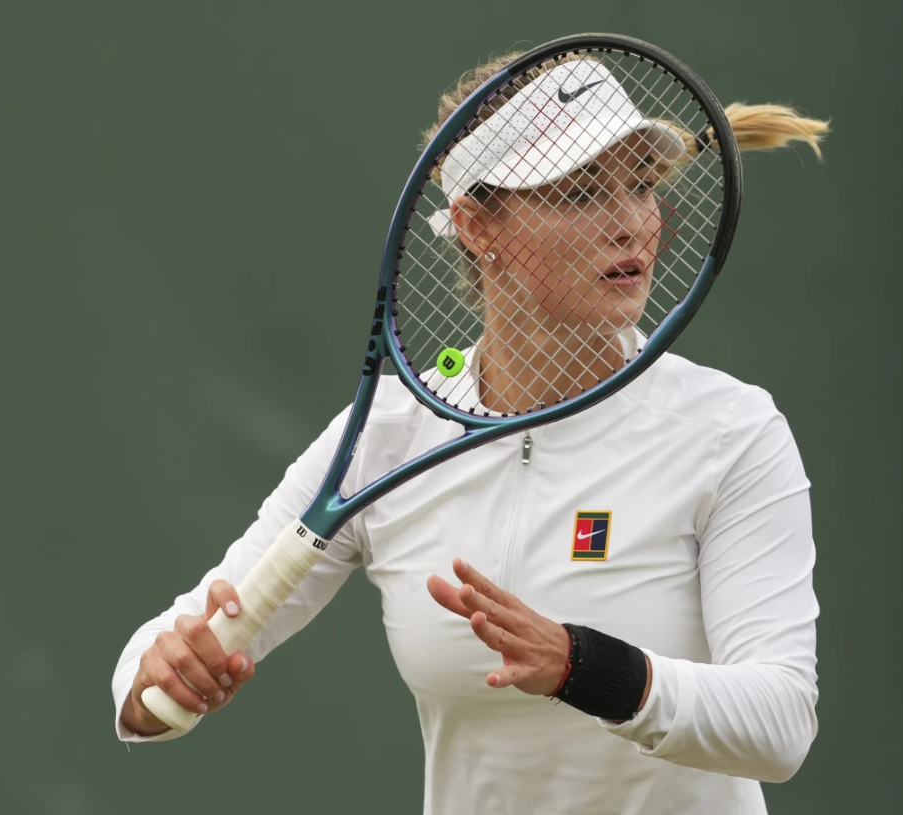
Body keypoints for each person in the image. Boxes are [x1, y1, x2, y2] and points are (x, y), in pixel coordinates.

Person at [112, 50, 829, 815]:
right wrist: (160, 675)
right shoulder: (384, 437)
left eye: (642, 186)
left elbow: (779, 725)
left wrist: (582, 667)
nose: (630, 222)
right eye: (583, 192)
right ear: (477, 225)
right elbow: (155, 667)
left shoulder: (729, 430)